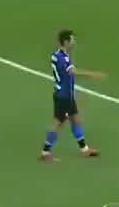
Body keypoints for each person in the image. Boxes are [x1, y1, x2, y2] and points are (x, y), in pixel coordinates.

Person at [41, 29, 106, 162]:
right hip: (63, 97)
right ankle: (46, 153)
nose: (74, 42)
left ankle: (85, 150)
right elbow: (72, 72)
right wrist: (92, 75)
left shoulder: (60, 55)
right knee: (58, 124)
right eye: (72, 40)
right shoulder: (63, 58)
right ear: (66, 42)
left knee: (76, 120)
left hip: (67, 95)